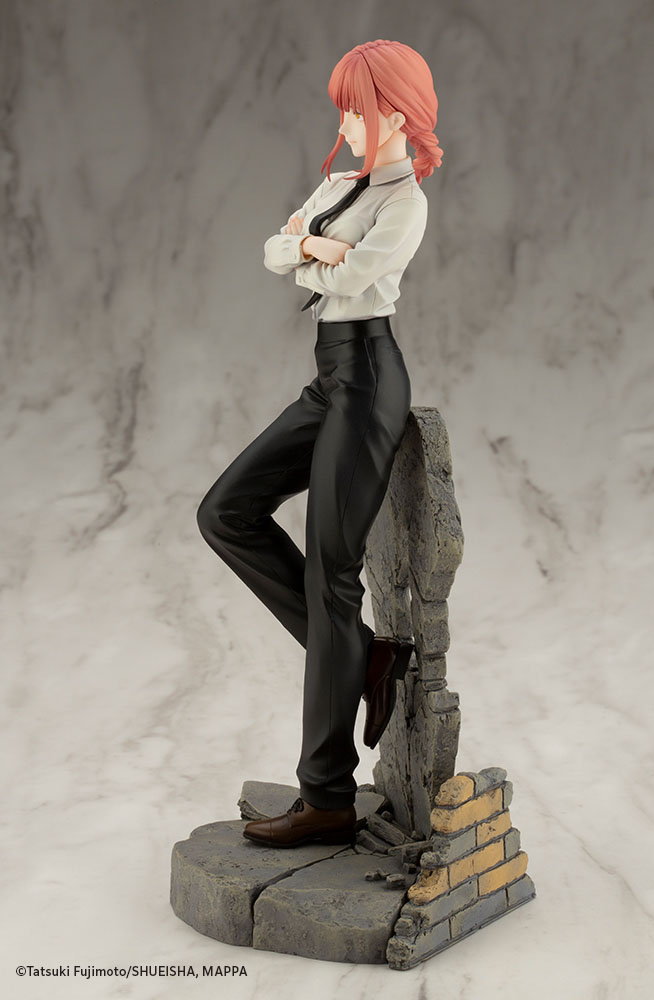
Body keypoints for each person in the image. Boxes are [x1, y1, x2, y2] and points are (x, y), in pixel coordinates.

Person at [196, 39, 443, 848]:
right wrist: (312, 245)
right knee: (225, 512)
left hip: (369, 378)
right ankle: (364, 656)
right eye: (341, 109)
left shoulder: (406, 202)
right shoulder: (340, 184)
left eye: (356, 110)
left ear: (396, 114)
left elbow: (351, 279)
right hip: (330, 376)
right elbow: (277, 250)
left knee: (330, 575)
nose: (344, 124)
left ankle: (327, 796)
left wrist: (312, 251)